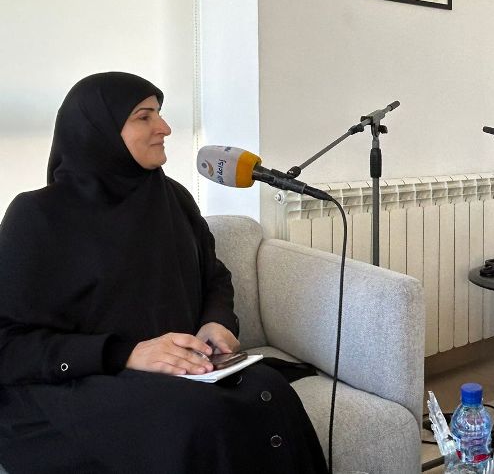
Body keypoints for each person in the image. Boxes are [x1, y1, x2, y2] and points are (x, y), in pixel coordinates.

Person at [0, 72, 327, 474]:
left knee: (269, 389)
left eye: (159, 113)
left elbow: (214, 276)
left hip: (178, 370)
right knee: (193, 417)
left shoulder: (172, 198)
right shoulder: (37, 216)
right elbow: (9, 344)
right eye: (144, 116)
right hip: (79, 381)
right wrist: (127, 353)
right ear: (98, 131)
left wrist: (216, 322)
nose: (165, 128)